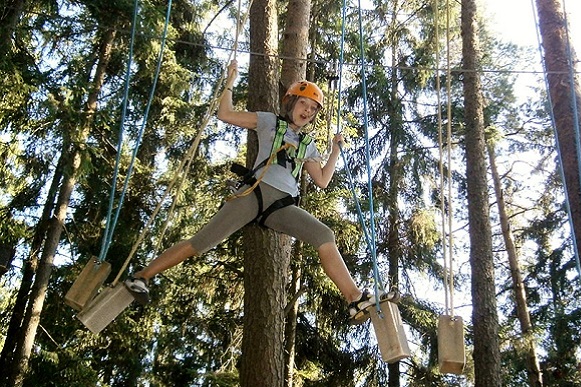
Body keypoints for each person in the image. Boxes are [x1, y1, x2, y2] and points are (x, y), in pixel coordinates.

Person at [125, 60, 395, 324]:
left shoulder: (307, 144)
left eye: (313, 109)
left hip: (281, 206)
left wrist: (335, 150)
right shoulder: (269, 122)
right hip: (254, 194)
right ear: (290, 102)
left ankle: (355, 298)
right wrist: (230, 83)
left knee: (324, 235)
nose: (307, 111)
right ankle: (142, 276)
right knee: (203, 241)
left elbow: (322, 180)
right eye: (303, 104)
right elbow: (226, 115)